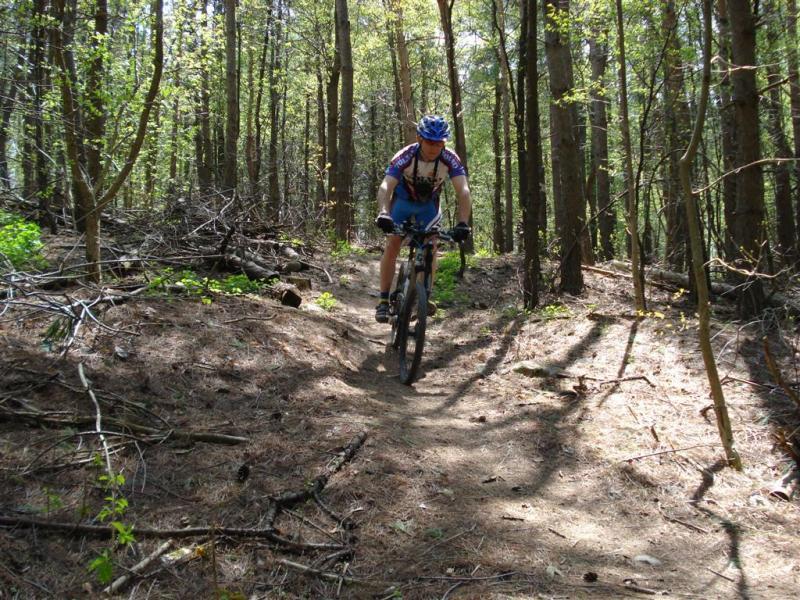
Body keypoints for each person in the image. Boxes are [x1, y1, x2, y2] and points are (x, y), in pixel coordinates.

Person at [374, 115, 472, 323]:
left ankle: (422, 296)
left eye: (439, 143)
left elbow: (463, 191)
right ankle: (383, 300)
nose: (434, 147)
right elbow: (386, 186)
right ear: (419, 138)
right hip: (402, 202)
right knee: (393, 243)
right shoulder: (406, 155)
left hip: (428, 206)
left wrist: (463, 223)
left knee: (431, 246)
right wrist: (383, 212)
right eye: (429, 141)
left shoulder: (450, 158)